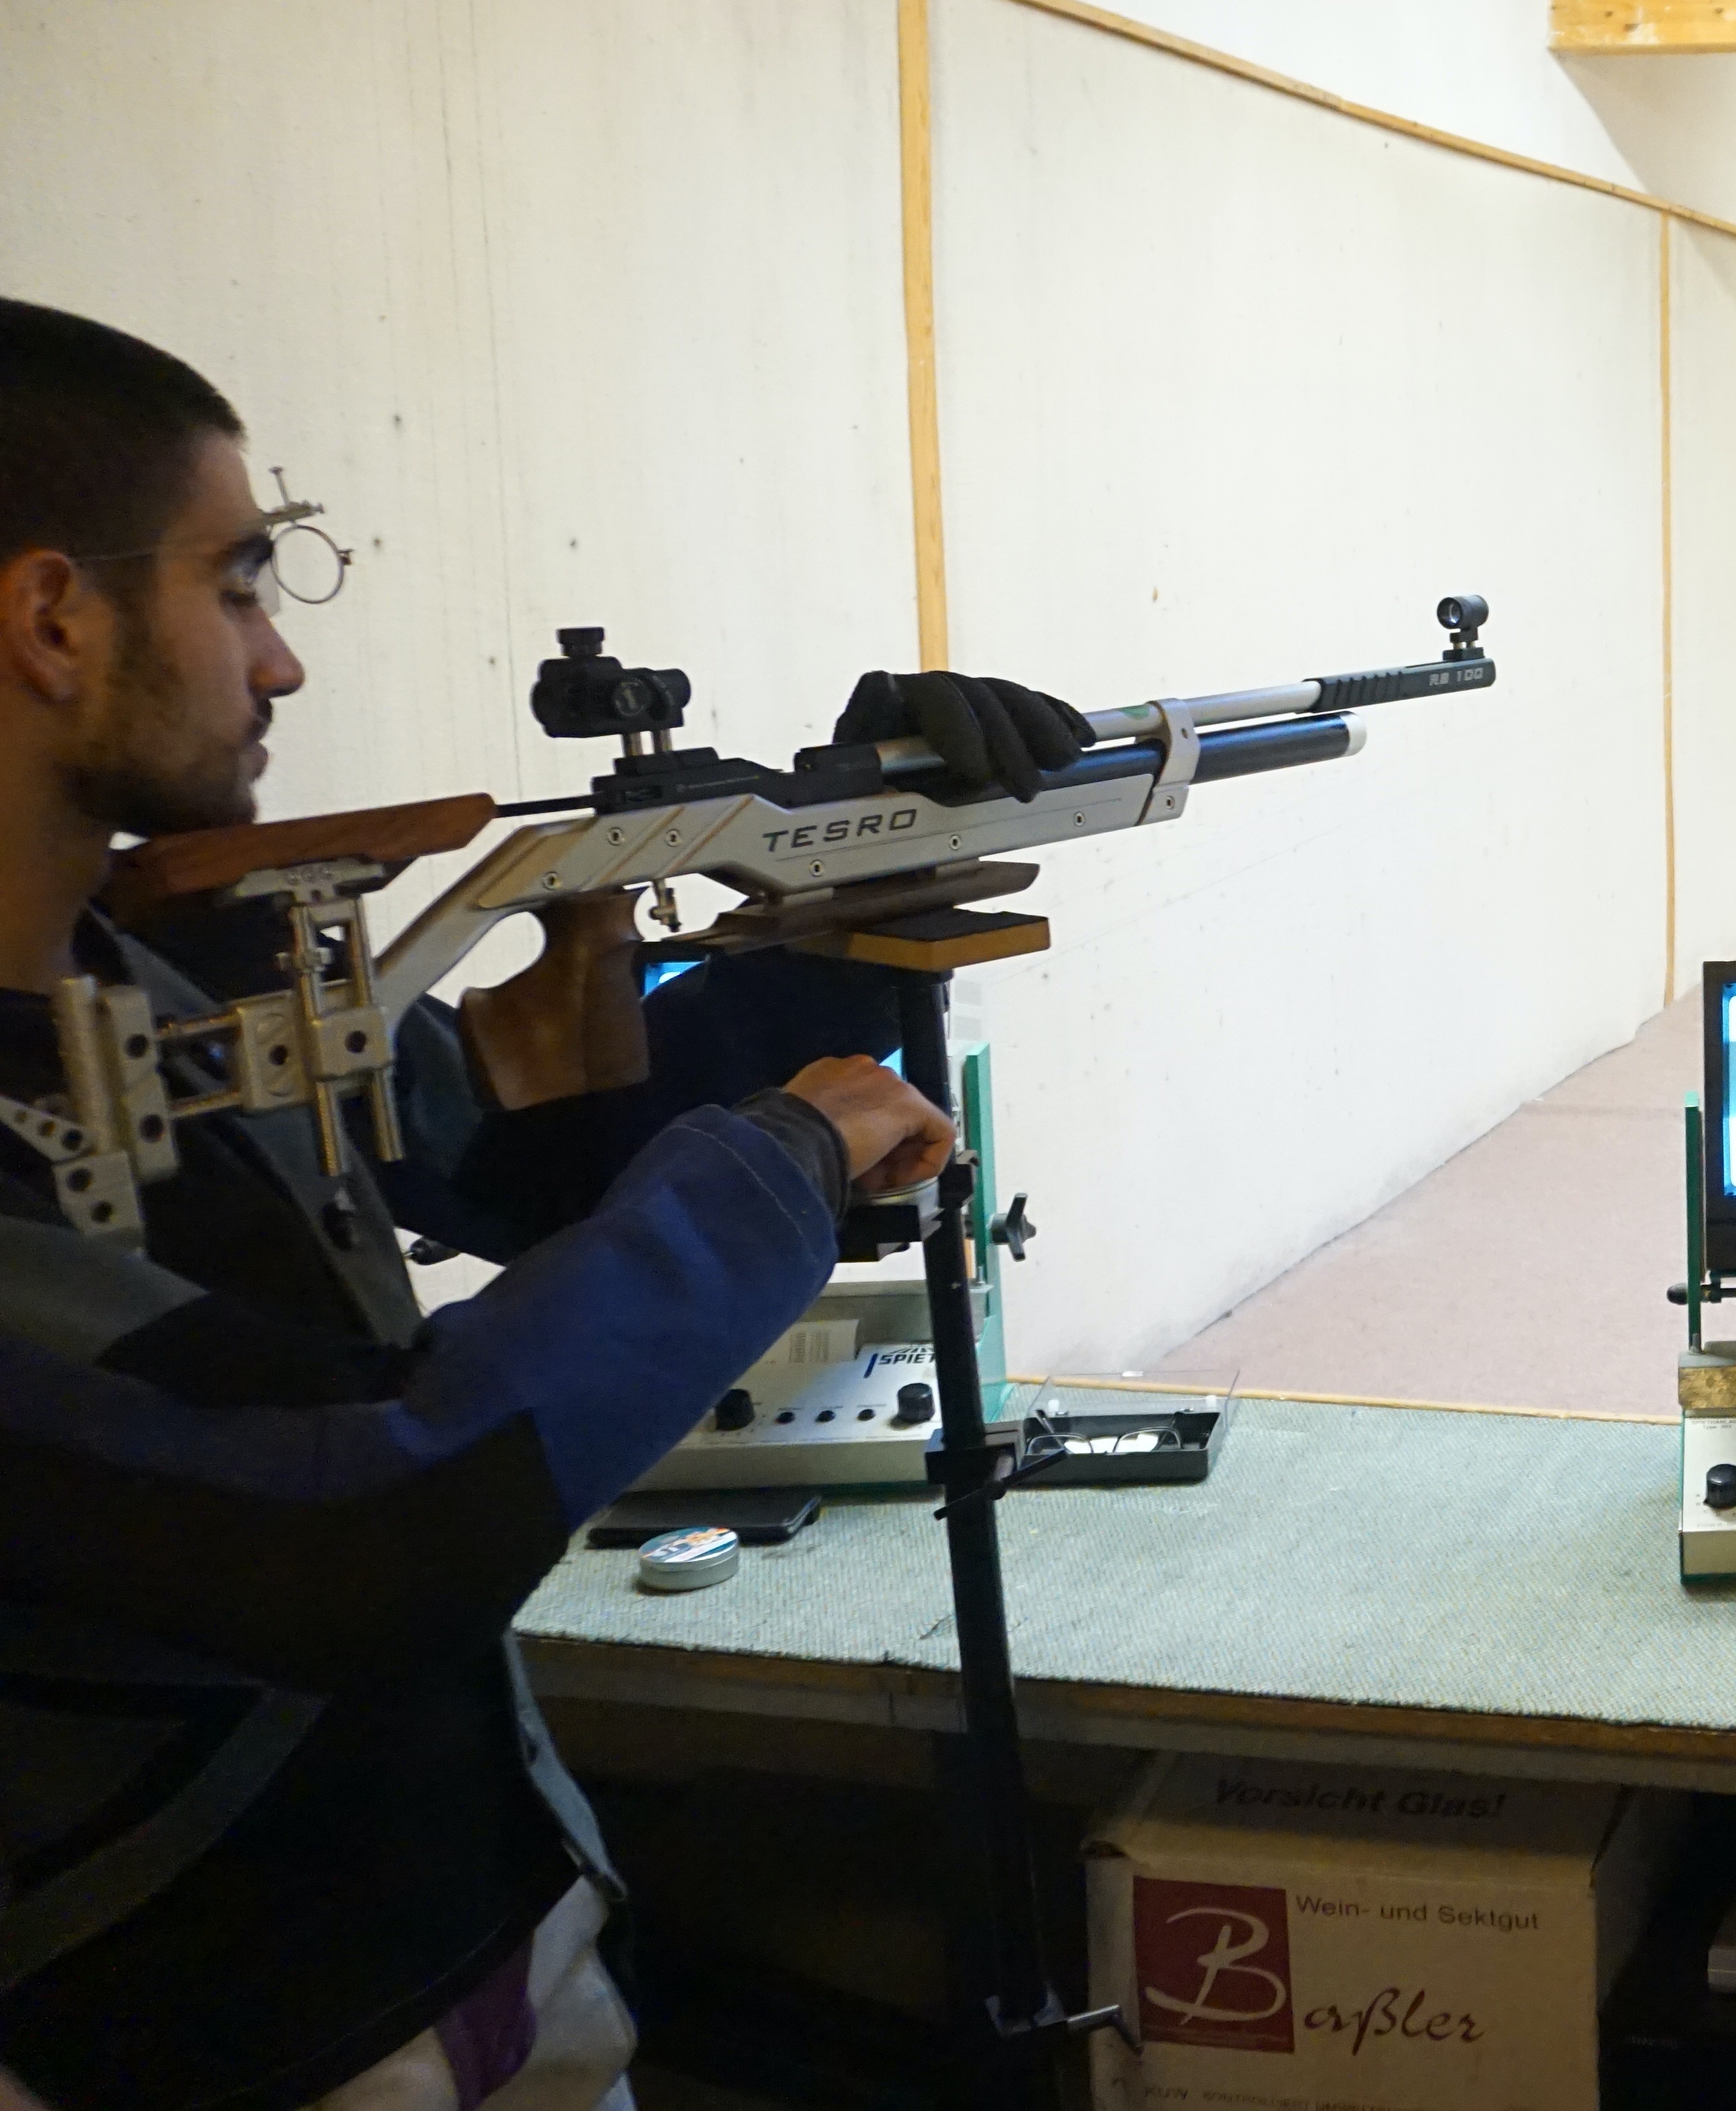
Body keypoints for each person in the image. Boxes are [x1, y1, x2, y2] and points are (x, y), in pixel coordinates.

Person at [0, 297, 1074, 2109]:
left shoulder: (165, 980)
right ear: (53, 620)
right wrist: (785, 1159)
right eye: (241, 582)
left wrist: (843, 872)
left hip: (487, 1948)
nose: (281, 662)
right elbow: (364, 1521)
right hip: (193, 2036)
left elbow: (544, 1162)